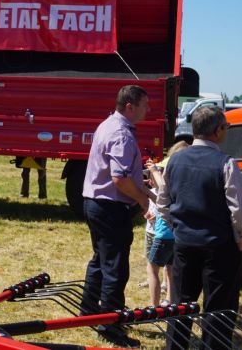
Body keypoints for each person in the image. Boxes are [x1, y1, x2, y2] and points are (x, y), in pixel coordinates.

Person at [156, 106, 242, 350]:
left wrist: (176, 227)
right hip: (218, 245)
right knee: (218, 309)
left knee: (180, 305)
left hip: (184, 243)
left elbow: (163, 203)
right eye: (226, 128)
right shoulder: (226, 163)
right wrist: (241, 238)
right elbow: (239, 209)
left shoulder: (175, 159)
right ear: (218, 130)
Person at [80, 85, 154, 348]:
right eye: (145, 104)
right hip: (110, 206)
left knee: (101, 259)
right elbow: (120, 179)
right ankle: (110, 327)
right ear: (130, 106)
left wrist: (144, 190)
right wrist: (143, 199)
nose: (149, 109)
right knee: (115, 267)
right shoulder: (121, 133)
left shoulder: (107, 124)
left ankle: (88, 311)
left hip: (95, 202)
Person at [144, 141, 189, 307]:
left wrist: (155, 172)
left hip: (164, 233)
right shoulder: (185, 178)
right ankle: (169, 301)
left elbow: (163, 190)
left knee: (152, 268)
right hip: (176, 233)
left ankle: (154, 306)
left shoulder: (169, 178)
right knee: (170, 268)